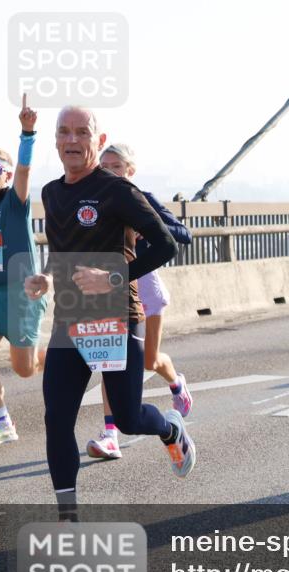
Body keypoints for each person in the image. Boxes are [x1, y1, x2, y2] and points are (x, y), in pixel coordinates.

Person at [24, 106, 197, 521]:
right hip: (70, 320)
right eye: (64, 132)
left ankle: (170, 428)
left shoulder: (118, 191)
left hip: (118, 317)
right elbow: (63, 249)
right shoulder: (50, 192)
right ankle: (68, 517)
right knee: (57, 419)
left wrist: (113, 277)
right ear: (56, 140)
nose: (71, 140)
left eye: (81, 132)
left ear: (97, 142)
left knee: (128, 417)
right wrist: (47, 278)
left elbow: (167, 245)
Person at [85, 143, 194, 459]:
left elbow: (181, 234)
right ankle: (110, 435)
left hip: (147, 293)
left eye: (115, 166)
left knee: (150, 360)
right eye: (103, 166)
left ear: (130, 171)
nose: (108, 171)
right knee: (111, 362)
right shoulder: (98, 203)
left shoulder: (142, 199)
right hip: (116, 295)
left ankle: (176, 383)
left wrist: (149, 231)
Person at [0, 95, 48, 446]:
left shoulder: (15, 202)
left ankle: (72, 358)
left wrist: (27, 133)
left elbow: (24, 170)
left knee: (25, 368)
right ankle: (3, 422)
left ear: (4, 175)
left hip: (21, 295)